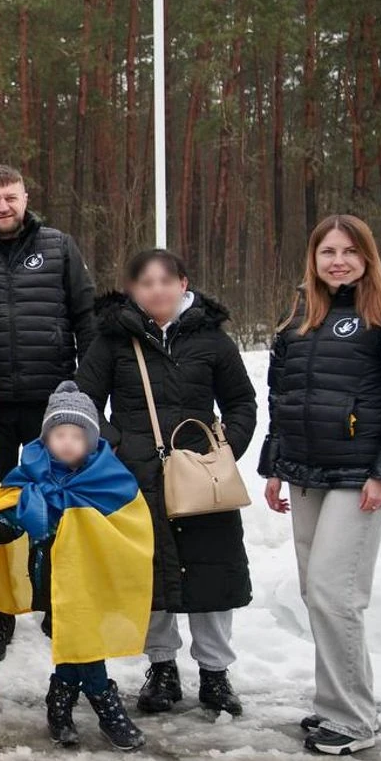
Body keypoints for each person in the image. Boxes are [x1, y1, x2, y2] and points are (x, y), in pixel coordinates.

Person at [259, 215, 381, 756]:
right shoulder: (300, 317)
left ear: (368, 257)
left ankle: (353, 719)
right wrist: (275, 465)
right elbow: (283, 397)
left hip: (359, 476)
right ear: (313, 259)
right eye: (328, 252)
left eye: (349, 251)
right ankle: (335, 702)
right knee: (317, 594)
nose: (338, 261)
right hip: (306, 471)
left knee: (336, 593)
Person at [74, 249, 257, 719]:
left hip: (202, 479)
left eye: (165, 280)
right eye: (145, 282)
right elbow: (84, 402)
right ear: (132, 290)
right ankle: (162, 668)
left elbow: (241, 402)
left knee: (212, 572)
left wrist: (224, 452)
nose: (156, 290)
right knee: (151, 574)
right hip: (137, 478)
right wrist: (117, 449)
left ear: (183, 283)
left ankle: (215, 672)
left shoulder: (212, 340)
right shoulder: (112, 340)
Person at [0, 164, 96, 663]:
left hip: (51, 407)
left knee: (56, 506)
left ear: (26, 198)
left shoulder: (59, 248)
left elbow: (87, 319)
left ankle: (57, 601)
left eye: (10, 196)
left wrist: (86, 394)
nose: (3, 206)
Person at [0, 382, 154, 752]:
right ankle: (91, 705)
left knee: (82, 641)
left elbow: (130, 528)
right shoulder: (33, 480)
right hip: (52, 581)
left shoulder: (110, 482)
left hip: (92, 582)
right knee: (77, 641)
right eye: (59, 434)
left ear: (92, 441)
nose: (67, 443)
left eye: (77, 436)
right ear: (46, 438)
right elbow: (11, 519)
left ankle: (73, 702)